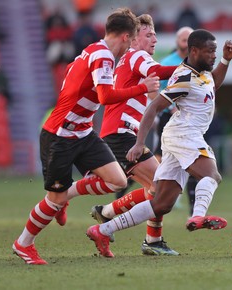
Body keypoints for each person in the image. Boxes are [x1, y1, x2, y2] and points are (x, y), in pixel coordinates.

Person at [12, 7, 160, 265]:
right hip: (60, 135)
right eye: (133, 39)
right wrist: (142, 87)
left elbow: (72, 72)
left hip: (83, 132)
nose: (131, 49)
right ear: (126, 37)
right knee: (54, 199)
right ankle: (23, 244)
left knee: (117, 181)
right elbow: (104, 97)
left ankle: (67, 195)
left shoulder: (92, 50)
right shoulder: (103, 56)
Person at [85, 29, 232, 258]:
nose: (213, 55)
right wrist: (139, 143)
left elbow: (213, 83)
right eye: (210, 51)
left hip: (180, 137)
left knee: (162, 203)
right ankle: (197, 216)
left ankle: (103, 229)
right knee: (211, 175)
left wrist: (226, 60)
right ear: (194, 51)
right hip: (184, 135)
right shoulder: (184, 77)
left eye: (215, 52)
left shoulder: (203, 73)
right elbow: (154, 107)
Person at [81, 14, 179, 256]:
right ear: (134, 39)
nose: (154, 39)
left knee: (155, 189)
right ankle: (108, 222)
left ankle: (144, 236)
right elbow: (157, 70)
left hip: (119, 134)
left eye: (155, 33)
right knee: (163, 188)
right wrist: (191, 68)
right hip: (121, 135)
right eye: (149, 34)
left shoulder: (126, 60)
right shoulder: (137, 56)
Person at [154, 26, 197, 215]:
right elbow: (156, 91)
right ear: (177, 41)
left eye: (189, 38)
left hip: (191, 120)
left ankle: (194, 209)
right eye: (183, 38)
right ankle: (144, 189)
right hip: (168, 117)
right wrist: (170, 107)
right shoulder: (168, 63)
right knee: (159, 158)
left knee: (194, 158)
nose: (186, 42)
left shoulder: (199, 63)